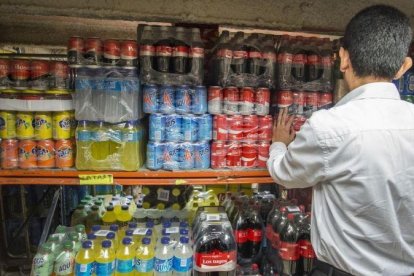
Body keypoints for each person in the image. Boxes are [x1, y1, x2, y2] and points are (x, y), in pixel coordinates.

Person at [267, 5, 414, 276]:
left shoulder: (328, 126)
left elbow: (284, 175)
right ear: (403, 67)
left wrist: (278, 144)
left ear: (343, 59)